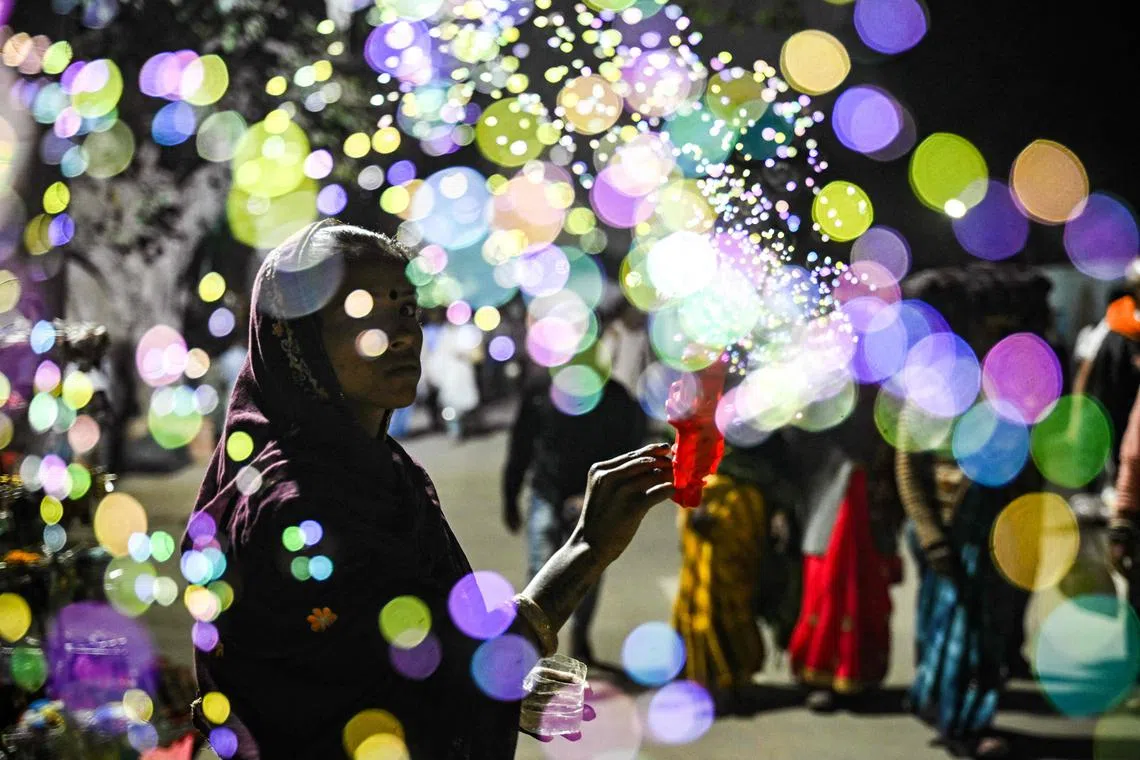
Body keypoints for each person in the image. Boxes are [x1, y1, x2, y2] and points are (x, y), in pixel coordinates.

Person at [183, 221, 674, 758]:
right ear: (294, 337)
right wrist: (584, 551)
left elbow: (407, 650)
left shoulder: (383, 467)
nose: (402, 333)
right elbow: (383, 694)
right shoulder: (296, 505)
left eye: (407, 310)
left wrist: (503, 687)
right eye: (361, 312)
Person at [502, 364, 643, 663]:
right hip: (546, 492)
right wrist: (510, 496)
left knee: (587, 573)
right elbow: (521, 443)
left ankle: (579, 635)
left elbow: (628, 449)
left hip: (592, 498)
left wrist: (599, 494)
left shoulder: (614, 396)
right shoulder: (541, 387)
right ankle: (533, 648)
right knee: (540, 571)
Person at [671, 430, 801, 715]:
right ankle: (707, 678)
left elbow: (781, 463)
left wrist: (781, 511)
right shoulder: (709, 393)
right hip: (708, 501)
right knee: (703, 590)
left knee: (736, 593)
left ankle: (734, 678)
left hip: (746, 509)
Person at [785, 429, 903, 712]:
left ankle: (860, 674)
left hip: (871, 511)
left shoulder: (887, 397)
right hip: (824, 506)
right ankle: (820, 678)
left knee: (865, 596)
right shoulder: (814, 398)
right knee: (826, 594)